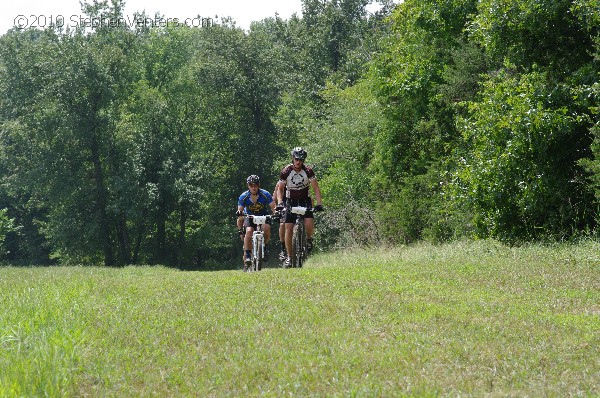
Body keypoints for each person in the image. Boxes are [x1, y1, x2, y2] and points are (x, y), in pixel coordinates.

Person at [276, 147, 323, 267]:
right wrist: (280, 203)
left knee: (309, 224)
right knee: (288, 228)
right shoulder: (286, 171)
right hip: (290, 200)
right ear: (293, 158)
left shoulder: (308, 171)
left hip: (304, 200)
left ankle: (308, 239)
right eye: (297, 159)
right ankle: (289, 257)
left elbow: (316, 188)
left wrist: (319, 204)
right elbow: (280, 189)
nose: (298, 162)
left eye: (301, 160)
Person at [237, 175, 276, 270]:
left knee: (266, 228)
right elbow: (240, 212)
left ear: (259, 185)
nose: (253, 187)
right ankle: (248, 256)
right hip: (250, 217)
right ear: (248, 186)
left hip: (263, 216)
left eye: (255, 185)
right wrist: (240, 229)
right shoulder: (243, 196)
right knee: (249, 231)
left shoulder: (265, 194)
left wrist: (276, 213)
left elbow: (273, 207)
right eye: (251, 185)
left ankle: (265, 247)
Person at [272, 181, 287, 262]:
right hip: (284, 205)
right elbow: (274, 199)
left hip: (296, 204)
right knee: (282, 224)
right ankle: (283, 247)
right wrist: (275, 212)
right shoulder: (280, 183)